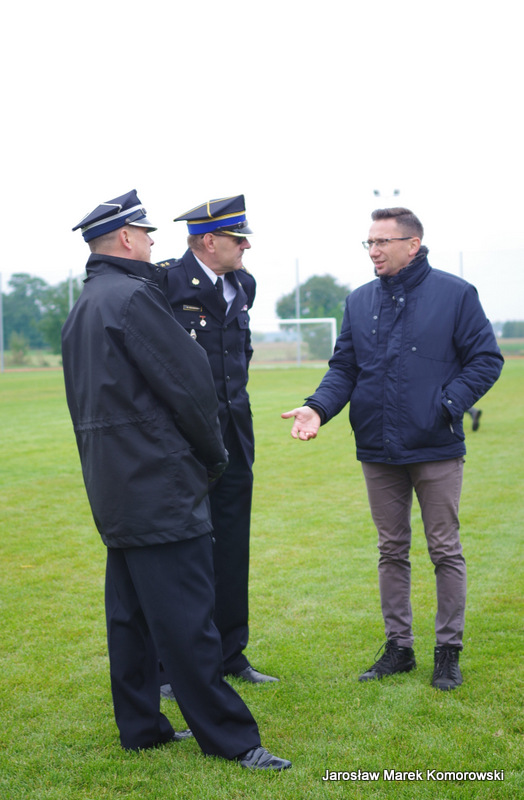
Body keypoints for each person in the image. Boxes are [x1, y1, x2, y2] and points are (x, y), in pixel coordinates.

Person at [62, 189, 291, 771]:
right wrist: (213, 457)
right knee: (188, 617)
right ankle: (233, 739)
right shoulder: (135, 297)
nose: (151, 242)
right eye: (146, 233)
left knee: (130, 617)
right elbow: (191, 387)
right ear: (125, 238)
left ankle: (142, 727)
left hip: (114, 482)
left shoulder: (88, 302)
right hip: (159, 480)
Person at [282, 207, 503, 691]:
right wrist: (317, 408)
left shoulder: (456, 294)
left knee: (444, 550)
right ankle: (399, 648)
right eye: (369, 242)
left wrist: (445, 406)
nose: (374, 251)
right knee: (391, 549)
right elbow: (345, 368)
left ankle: (448, 652)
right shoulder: (359, 300)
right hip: (377, 447)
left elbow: (486, 359)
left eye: (383, 242)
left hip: (436, 445)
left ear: (413, 245)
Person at [157, 195, 278, 685]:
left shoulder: (243, 284)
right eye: (237, 238)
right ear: (209, 241)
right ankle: (171, 666)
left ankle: (231, 654)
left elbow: (238, 356)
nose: (246, 246)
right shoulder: (165, 283)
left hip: (235, 435)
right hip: (184, 440)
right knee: (181, 553)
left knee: (231, 545)